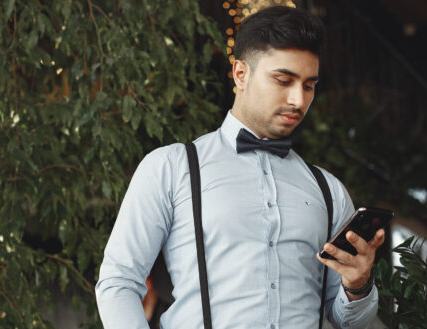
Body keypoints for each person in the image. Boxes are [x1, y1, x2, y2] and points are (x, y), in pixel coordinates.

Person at [96, 5, 385, 328]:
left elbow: (348, 321)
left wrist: (358, 286)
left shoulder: (328, 191)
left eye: (308, 85)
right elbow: (119, 281)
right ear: (240, 74)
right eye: (283, 80)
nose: (298, 100)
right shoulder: (172, 168)